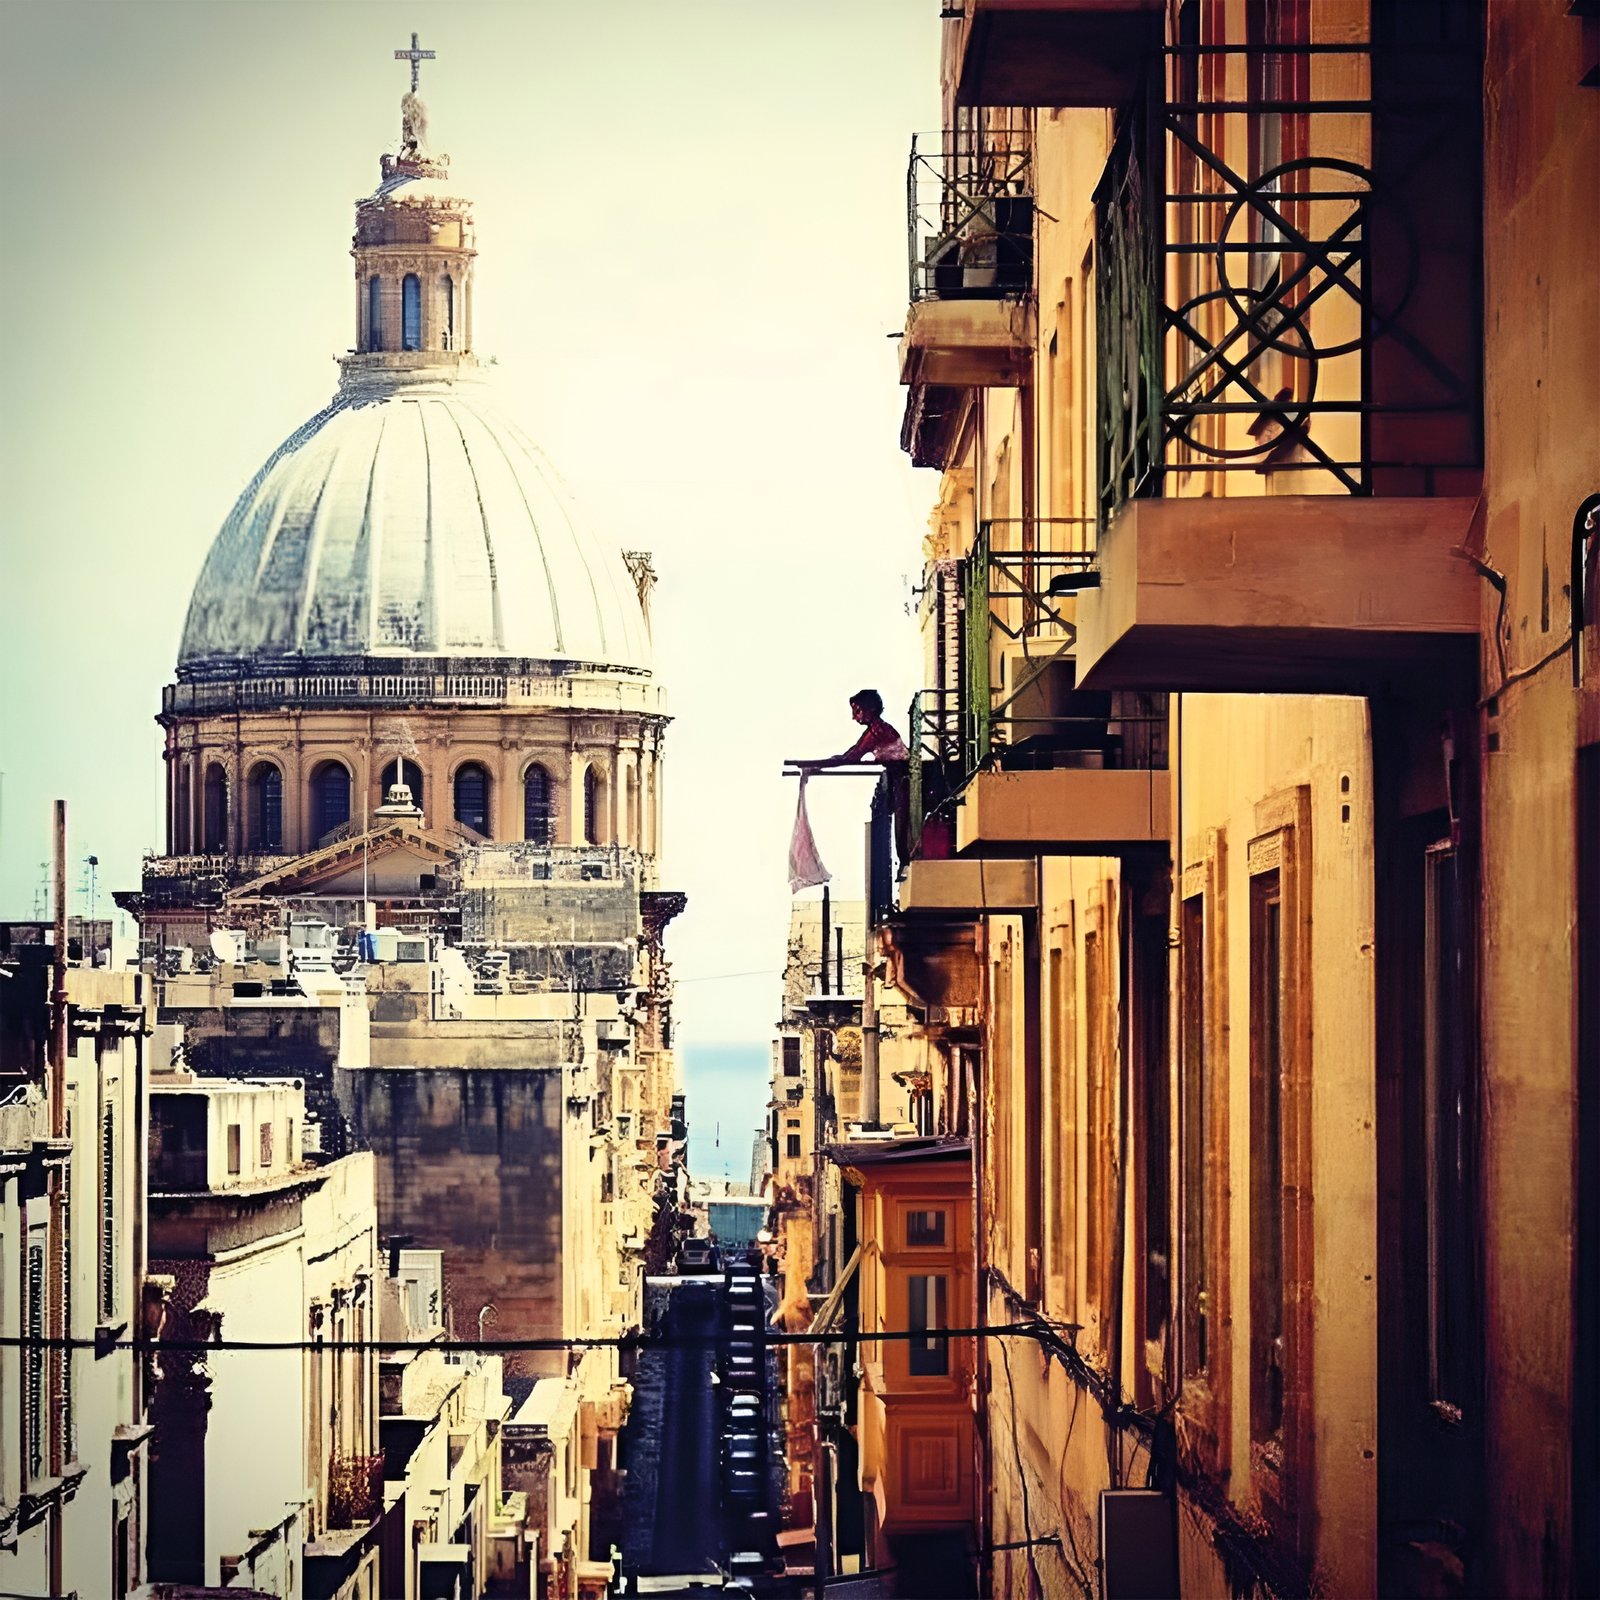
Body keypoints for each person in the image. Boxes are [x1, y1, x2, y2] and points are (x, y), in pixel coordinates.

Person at [800, 690, 912, 862]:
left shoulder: (877, 730)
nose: (854, 717)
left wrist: (820, 765)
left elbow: (852, 756)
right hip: (898, 776)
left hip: (903, 777)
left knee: (902, 830)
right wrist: (820, 764)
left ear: (870, 709)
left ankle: (906, 862)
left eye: (858, 711)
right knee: (900, 825)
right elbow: (852, 754)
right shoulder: (877, 729)